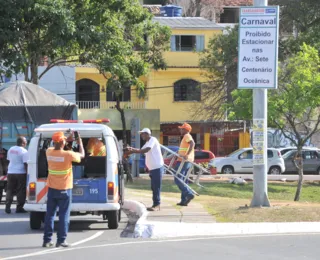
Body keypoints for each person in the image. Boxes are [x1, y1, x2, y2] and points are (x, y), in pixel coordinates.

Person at [43, 131, 84, 248]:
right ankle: (61, 240)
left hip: (52, 189)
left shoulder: (48, 152)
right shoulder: (68, 154)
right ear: (62, 142)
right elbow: (82, 154)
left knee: (49, 215)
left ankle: (47, 240)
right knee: (63, 216)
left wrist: (67, 139)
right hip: (65, 189)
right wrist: (79, 141)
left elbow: (57, 146)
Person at [129, 128, 164, 211]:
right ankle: (155, 203)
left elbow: (146, 150)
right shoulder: (147, 142)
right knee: (153, 187)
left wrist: (133, 150)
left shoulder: (153, 139)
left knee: (156, 187)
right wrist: (131, 150)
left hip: (157, 167)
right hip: (152, 168)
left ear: (148, 134)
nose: (141, 135)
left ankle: (157, 204)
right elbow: (141, 150)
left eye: (143, 134)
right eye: (141, 134)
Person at [5, 136, 28, 214]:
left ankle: (7, 206)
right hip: (20, 173)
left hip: (11, 172)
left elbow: (8, 160)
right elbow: (25, 164)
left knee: (10, 189)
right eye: (25, 142)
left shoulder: (11, 149)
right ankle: (19, 207)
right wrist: (28, 173)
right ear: (22, 143)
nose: (26, 143)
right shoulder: (24, 151)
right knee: (20, 190)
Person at [175, 123, 195, 206]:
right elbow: (185, 148)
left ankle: (188, 193)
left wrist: (187, 154)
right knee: (183, 181)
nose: (181, 130)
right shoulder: (185, 137)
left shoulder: (187, 135)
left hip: (184, 161)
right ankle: (184, 201)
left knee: (177, 179)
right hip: (187, 161)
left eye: (182, 129)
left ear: (186, 130)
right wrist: (178, 152)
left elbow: (192, 143)